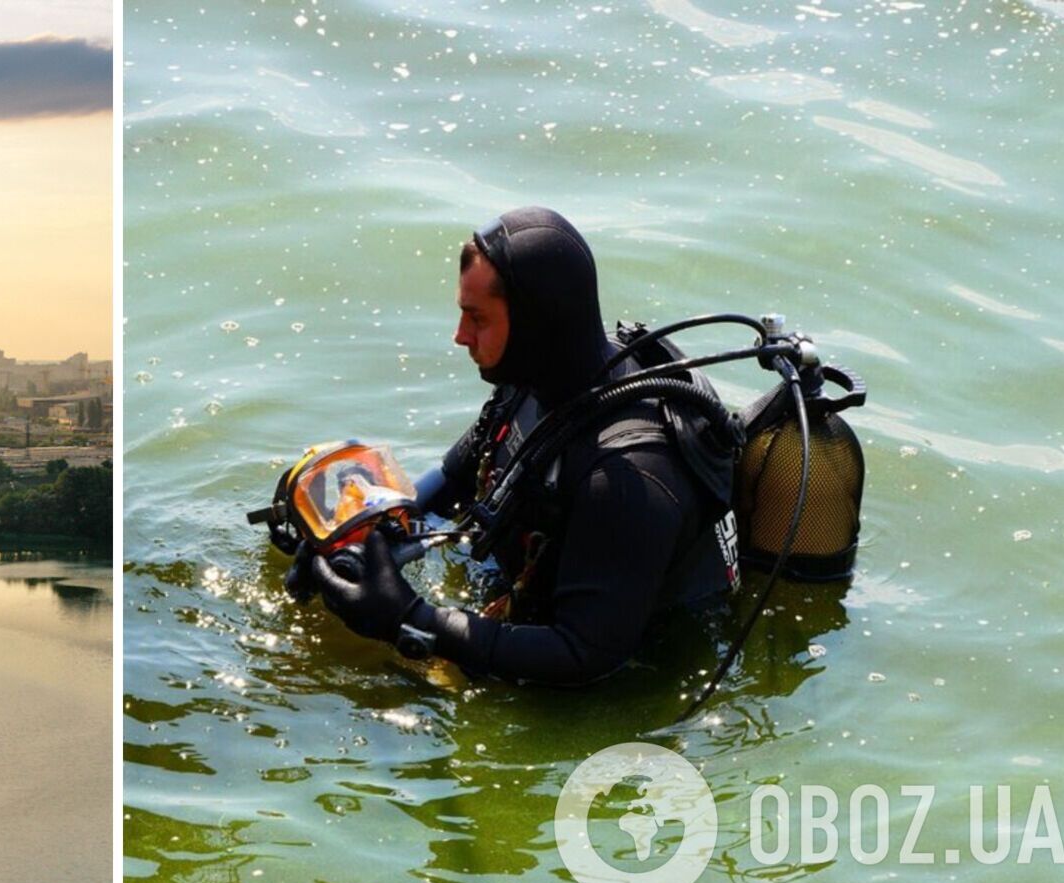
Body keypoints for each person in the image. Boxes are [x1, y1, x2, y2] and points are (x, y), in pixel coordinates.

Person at [298, 206, 738, 685]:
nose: (460, 336)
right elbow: (449, 481)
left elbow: (585, 655)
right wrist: (361, 535)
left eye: (477, 319)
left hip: (626, 674)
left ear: (536, 322)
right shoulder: (532, 381)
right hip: (527, 593)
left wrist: (413, 618)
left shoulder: (628, 479)